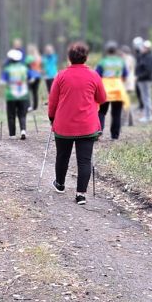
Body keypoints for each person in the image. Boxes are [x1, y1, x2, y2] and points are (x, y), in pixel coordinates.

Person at [48, 42, 107, 205]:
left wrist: (51, 117)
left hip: (63, 125)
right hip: (87, 125)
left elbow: (53, 101)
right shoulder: (94, 75)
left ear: (69, 58)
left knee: (62, 156)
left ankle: (60, 184)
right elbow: (102, 98)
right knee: (84, 160)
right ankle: (81, 194)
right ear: (86, 57)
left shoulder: (61, 75)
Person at [1, 49, 39, 140]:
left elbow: (2, 81)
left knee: (11, 114)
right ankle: (23, 130)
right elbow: (32, 78)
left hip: (11, 95)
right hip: (23, 94)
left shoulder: (7, 69)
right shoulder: (24, 68)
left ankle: (12, 134)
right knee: (22, 114)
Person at [95, 42, 129, 139]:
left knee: (101, 111)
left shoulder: (103, 62)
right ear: (116, 50)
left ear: (107, 51)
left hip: (105, 89)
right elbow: (125, 74)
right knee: (116, 113)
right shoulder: (121, 61)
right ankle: (115, 135)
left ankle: (99, 131)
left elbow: (97, 75)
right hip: (118, 89)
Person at [135, 40, 152, 123]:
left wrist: (138, 76)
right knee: (145, 98)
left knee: (146, 98)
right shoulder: (143, 56)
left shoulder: (149, 57)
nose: (142, 48)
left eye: (145, 47)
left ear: (148, 48)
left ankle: (148, 116)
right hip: (142, 80)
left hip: (145, 80)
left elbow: (148, 71)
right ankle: (147, 115)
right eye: (143, 47)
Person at [120, 45, 137, 126]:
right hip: (129, 83)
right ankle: (130, 121)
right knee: (127, 102)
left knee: (124, 103)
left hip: (127, 84)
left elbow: (125, 71)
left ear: (124, 52)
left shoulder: (127, 59)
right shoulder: (131, 58)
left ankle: (124, 121)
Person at [25, 44, 44, 112]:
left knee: (27, 91)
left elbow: (26, 65)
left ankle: (28, 106)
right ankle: (35, 107)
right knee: (35, 92)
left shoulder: (29, 57)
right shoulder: (39, 57)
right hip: (38, 76)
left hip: (31, 76)